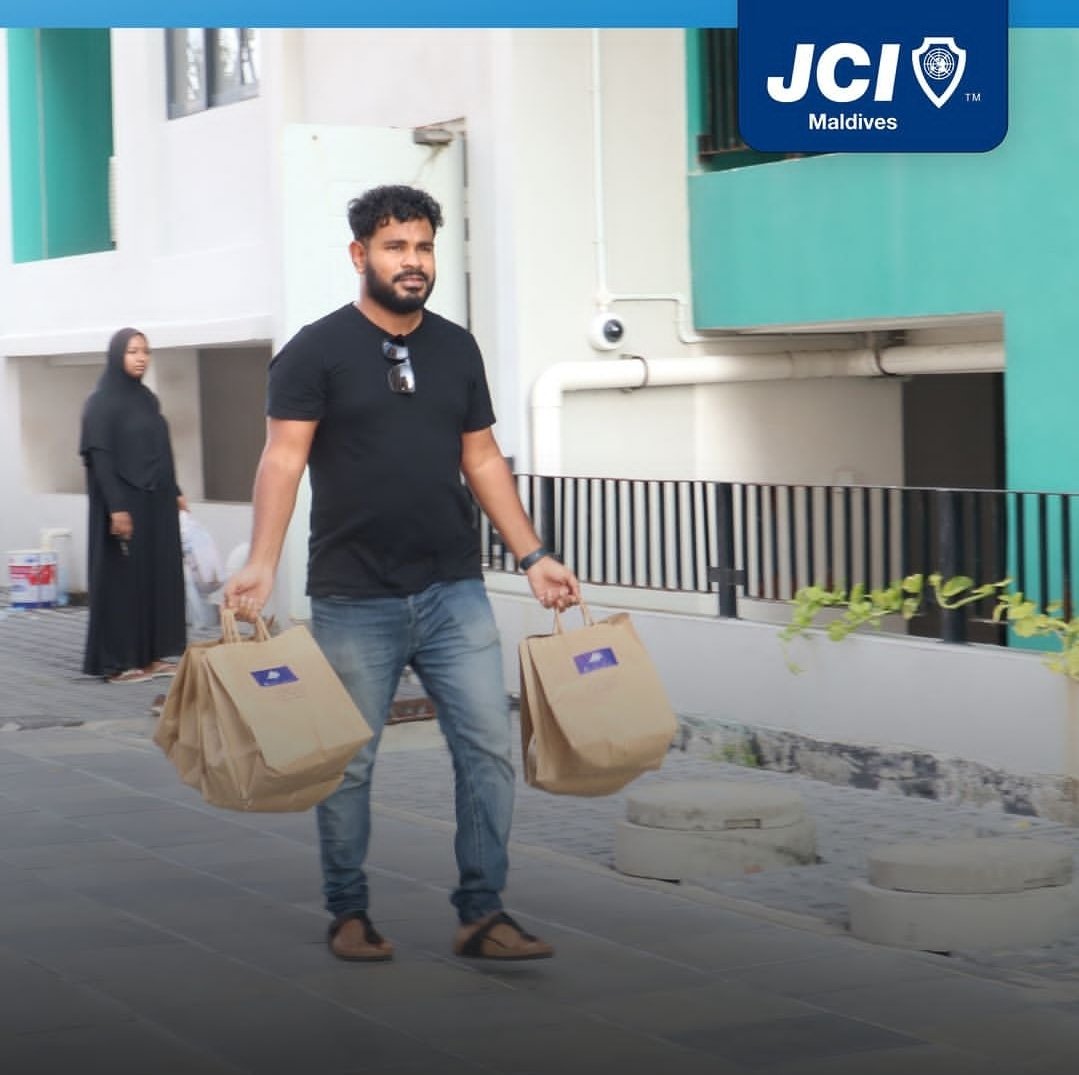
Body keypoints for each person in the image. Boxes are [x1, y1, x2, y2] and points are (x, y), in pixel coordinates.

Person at [225, 184, 580, 963]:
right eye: (395, 247)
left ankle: (482, 912)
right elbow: (283, 458)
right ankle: (348, 910)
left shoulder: (457, 348)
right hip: (354, 593)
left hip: (452, 586)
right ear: (360, 256)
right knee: (348, 762)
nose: (412, 261)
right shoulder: (314, 351)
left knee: (487, 747)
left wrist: (534, 553)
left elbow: (480, 457)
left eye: (422, 247)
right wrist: (259, 560)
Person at [80, 328, 187, 684]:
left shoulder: (146, 399)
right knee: (122, 582)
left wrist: (174, 490)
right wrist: (117, 508)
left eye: (145, 351)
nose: (141, 357)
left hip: (155, 501)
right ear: (116, 356)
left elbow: (159, 447)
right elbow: (101, 458)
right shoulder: (100, 402)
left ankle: (152, 657)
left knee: (155, 577)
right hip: (123, 503)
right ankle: (118, 663)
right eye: (132, 351)